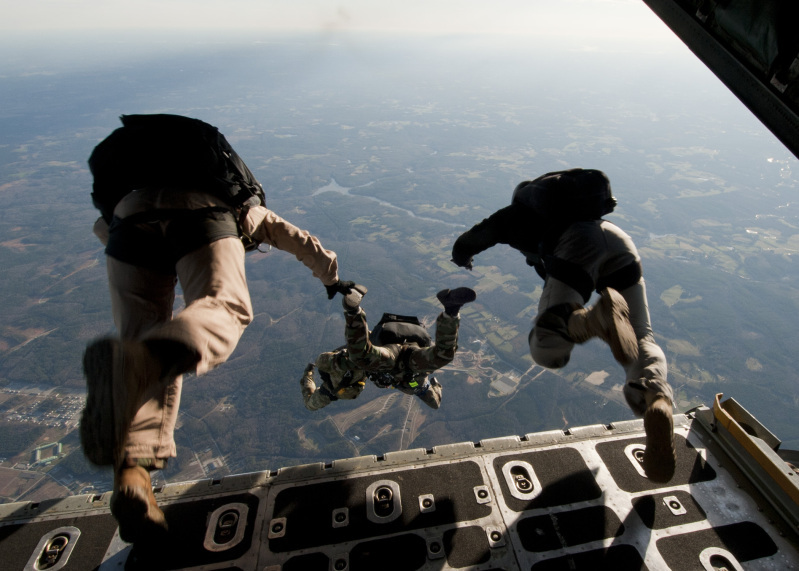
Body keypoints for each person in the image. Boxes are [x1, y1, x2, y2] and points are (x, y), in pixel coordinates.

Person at [81, 184, 355, 543]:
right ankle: (145, 359)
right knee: (224, 309)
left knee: (141, 340)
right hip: (199, 215)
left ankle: (133, 478)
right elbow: (296, 238)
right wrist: (332, 279)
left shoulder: (133, 185)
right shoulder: (236, 199)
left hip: (123, 227)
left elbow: (104, 227)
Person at [451, 168, 676, 482]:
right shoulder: (582, 210)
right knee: (642, 336)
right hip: (619, 240)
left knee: (546, 347)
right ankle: (657, 398)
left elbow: (474, 236)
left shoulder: (513, 217)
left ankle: (592, 321)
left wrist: (461, 255)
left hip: (577, 246)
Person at [300, 286, 476, 411]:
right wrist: (310, 374)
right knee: (442, 360)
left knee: (362, 356)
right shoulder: (413, 384)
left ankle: (353, 311)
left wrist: (311, 373)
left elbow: (354, 350)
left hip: (396, 355)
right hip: (408, 363)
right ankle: (451, 311)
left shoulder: (345, 371)